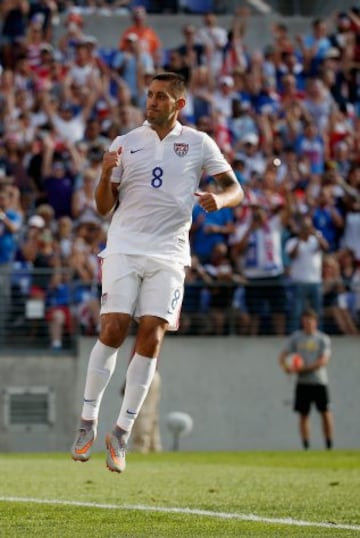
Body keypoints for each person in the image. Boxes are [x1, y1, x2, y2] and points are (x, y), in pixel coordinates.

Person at [71, 72, 244, 473]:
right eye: (149, 95)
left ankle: (122, 432)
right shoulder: (125, 143)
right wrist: (102, 174)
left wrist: (221, 199)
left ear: (178, 104)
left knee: (152, 335)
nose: (151, 102)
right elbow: (102, 207)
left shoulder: (199, 143)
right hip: (125, 249)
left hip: (169, 255)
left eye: (160, 96)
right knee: (113, 328)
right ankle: (87, 421)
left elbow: (236, 188)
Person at [278, 308, 334, 450]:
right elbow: (283, 356)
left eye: (310, 321)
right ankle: (306, 446)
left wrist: (301, 369)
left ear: (315, 322)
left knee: (325, 412)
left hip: (319, 381)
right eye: (305, 321)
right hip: (302, 383)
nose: (307, 323)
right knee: (303, 415)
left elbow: (323, 361)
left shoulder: (323, 339)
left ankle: (329, 444)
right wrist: (286, 367)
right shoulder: (296, 338)